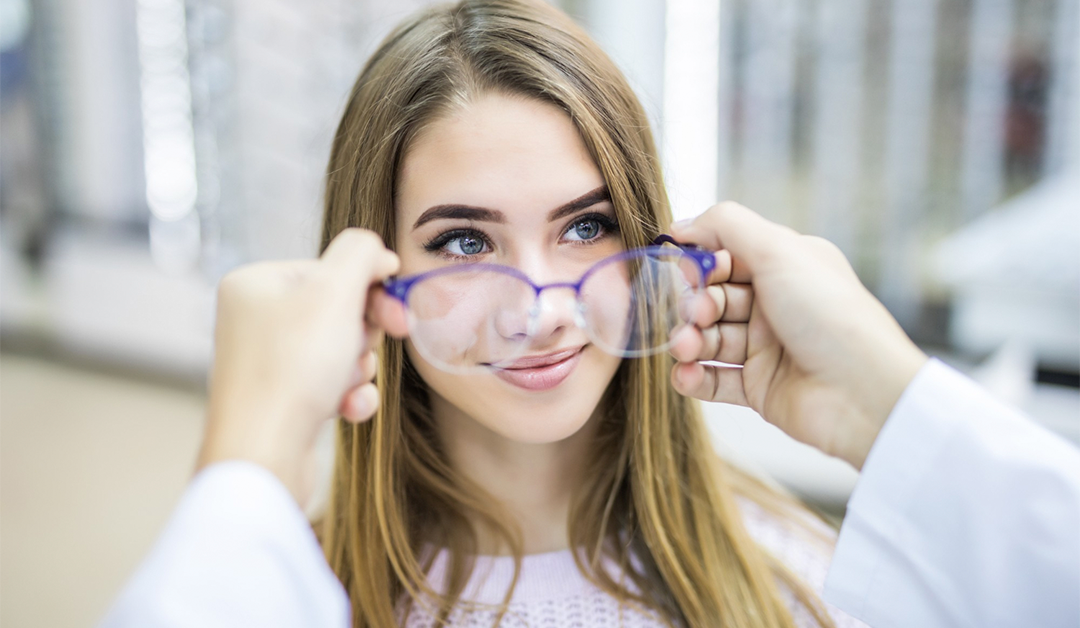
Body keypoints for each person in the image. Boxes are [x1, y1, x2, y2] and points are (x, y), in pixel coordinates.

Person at [100, 1, 1080, 627]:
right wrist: (256, 456)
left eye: (588, 226)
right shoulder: (283, 593)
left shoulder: (803, 586)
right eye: (466, 242)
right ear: (371, 274)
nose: (540, 314)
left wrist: (888, 397)